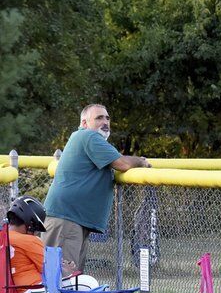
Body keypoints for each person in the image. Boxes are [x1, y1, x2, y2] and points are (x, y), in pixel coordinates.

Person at [43, 104, 151, 271]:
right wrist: (142, 161)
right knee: (61, 281)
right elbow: (122, 164)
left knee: (72, 280)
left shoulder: (85, 138)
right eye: (99, 118)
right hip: (66, 220)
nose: (105, 122)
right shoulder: (89, 137)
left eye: (107, 118)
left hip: (71, 220)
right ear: (84, 123)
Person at [6, 196, 106, 293]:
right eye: (35, 229)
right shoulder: (28, 240)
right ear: (30, 223)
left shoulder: (3, 238)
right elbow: (54, 271)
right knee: (87, 283)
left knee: (67, 288)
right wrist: (68, 269)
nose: (35, 233)